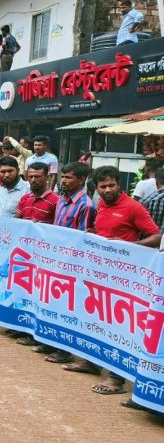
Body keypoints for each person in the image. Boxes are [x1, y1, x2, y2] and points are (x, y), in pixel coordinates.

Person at [80, 166, 161, 397]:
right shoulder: (101, 204)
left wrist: (127, 246)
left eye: (111, 186)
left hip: (125, 278)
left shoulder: (133, 207)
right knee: (95, 317)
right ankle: (91, 361)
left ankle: (116, 379)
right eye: (102, 186)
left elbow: (156, 236)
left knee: (119, 326)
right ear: (96, 187)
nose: (107, 190)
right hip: (101, 273)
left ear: (119, 185)